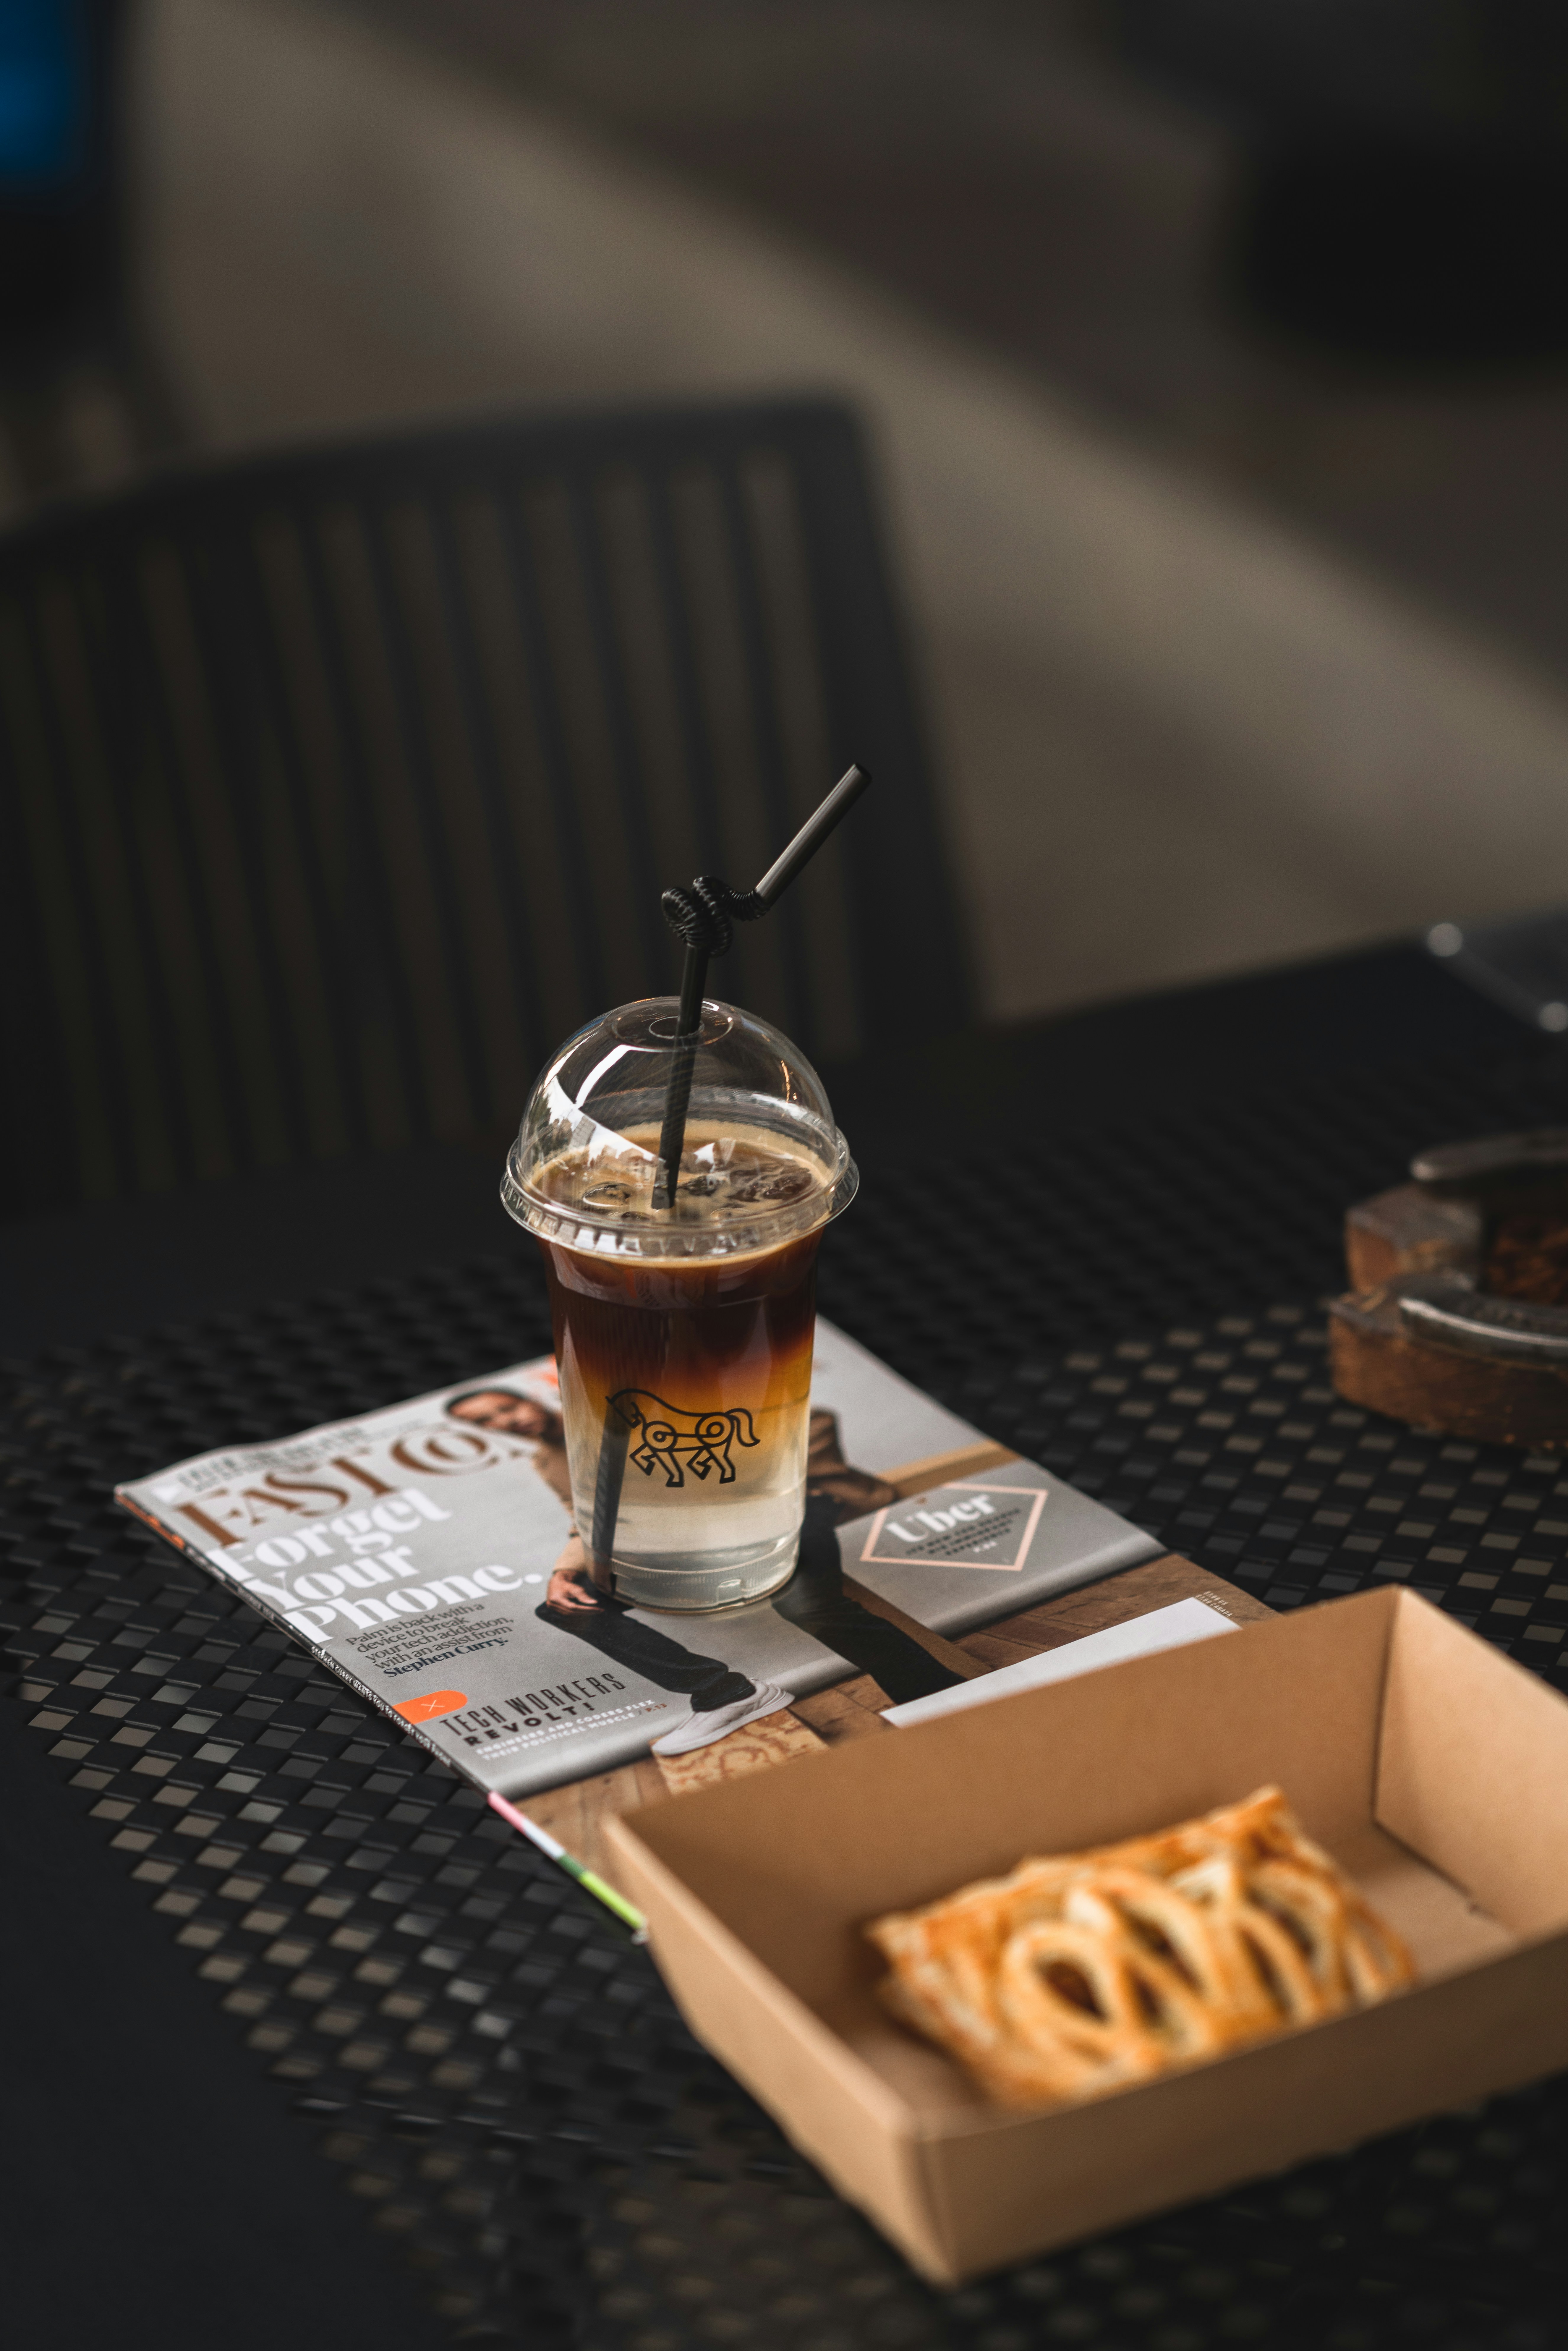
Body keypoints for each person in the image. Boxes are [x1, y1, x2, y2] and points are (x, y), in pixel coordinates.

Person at [445, 1387, 964, 1756]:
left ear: (533, 1397)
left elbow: (803, 1419)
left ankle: (940, 1697)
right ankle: (726, 1692)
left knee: (807, 1605)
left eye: (505, 1408)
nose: (504, 1422)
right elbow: (585, 1523)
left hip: (783, 1509)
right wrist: (564, 1572)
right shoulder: (546, 1462)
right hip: (685, 1540)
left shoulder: (629, 1403)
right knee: (565, 1606)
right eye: (486, 1423)